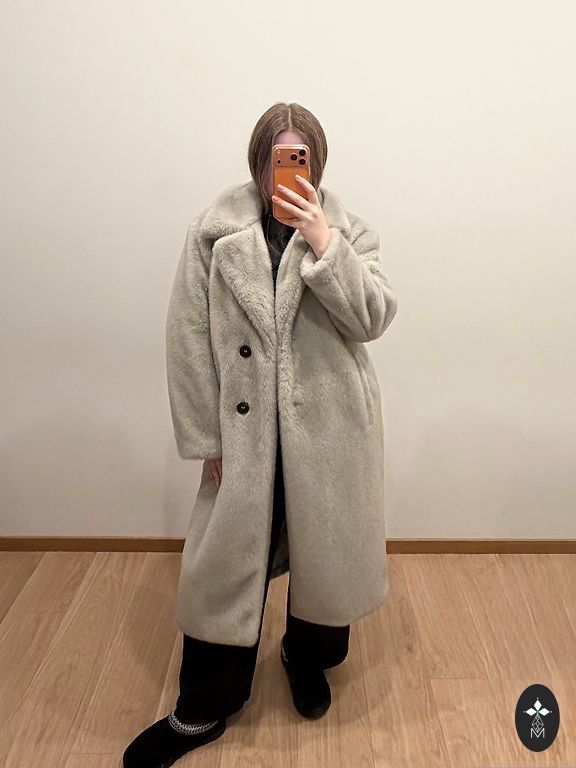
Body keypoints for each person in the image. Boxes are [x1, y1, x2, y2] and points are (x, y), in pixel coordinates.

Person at [123, 102, 398, 768]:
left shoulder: (349, 232)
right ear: (258, 161)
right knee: (224, 567)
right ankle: (205, 704)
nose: (288, 171)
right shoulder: (213, 233)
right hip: (245, 436)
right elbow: (188, 338)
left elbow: (372, 319)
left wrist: (325, 244)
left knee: (326, 553)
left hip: (330, 429)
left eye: (300, 158)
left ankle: (307, 658)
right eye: (278, 157)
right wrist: (206, 439)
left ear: (317, 162)